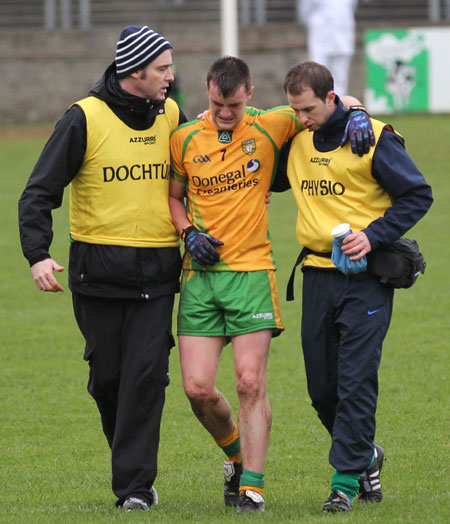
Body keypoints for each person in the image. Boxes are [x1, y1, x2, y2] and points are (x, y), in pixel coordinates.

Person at [168, 56, 374, 513]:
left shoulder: (273, 124)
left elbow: (337, 102)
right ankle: (236, 456)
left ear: (249, 95)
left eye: (235, 105)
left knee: (248, 382)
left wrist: (358, 115)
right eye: (219, 104)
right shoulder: (183, 137)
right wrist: (189, 232)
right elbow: (174, 198)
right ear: (207, 91)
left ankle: (253, 488)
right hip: (200, 279)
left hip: (252, 273)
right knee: (198, 389)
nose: (226, 113)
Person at [18, 25, 187, 512]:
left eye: (169, 67)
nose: (170, 77)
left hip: (157, 274)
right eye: (162, 68)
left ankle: (135, 488)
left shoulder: (172, 114)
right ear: (134, 71)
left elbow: (218, 144)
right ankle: (131, 465)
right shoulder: (82, 118)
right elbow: (38, 193)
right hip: (97, 276)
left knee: (146, 376)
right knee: (109, 379)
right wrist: (37, 253)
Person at [272, 61, 433, 512]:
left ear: (330, 98)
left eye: (308, 109)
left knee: (356, 380)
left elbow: (418, 193)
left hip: (365, 281)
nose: (301, 118)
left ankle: (343, 484)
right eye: (294, 110)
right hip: (316, 277)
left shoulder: (373, 138)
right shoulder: (297, 141)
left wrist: (373, 235)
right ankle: (366, 456)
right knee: (322, 389)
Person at [299, 0, 357, 96]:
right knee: (317, 75)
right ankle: (319, 105)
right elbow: (305, 12)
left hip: (343, 38)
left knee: (340, 78)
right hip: (320, 38)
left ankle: (338, 106)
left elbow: (350, 8)